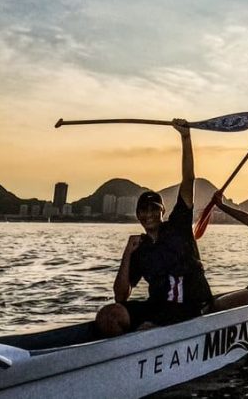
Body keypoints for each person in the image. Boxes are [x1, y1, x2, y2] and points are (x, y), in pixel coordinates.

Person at [96, 119, 212, 336]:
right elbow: (121, 296)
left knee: (148, 329)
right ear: (138, 215)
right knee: (108, 315)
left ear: (162, 212)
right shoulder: (140, 248)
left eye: (153, 209)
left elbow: (188, 180)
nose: (148, 214)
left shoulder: (179, 226)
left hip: (192, 304)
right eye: (143, 210)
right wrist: (127, 253)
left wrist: (185, 138)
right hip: (159, 305)